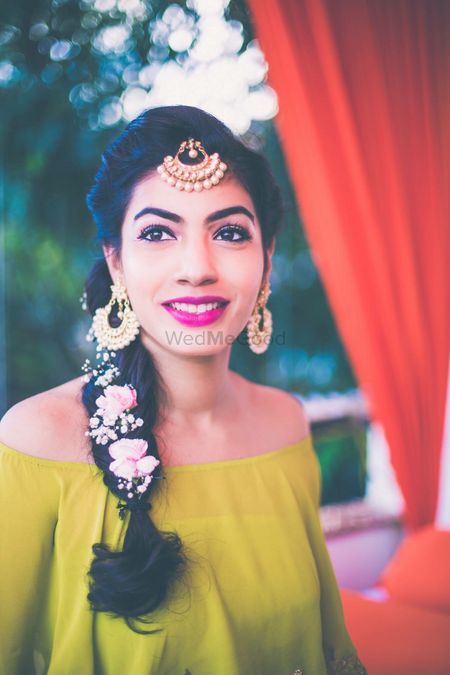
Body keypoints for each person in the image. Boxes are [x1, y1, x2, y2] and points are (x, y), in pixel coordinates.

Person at [0, 105, 367, 675]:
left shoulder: (285, 423)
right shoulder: (38, 440)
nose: (197, 267)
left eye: (229, 232)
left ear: (266, 262)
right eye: (156, 233)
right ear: (115, 262)